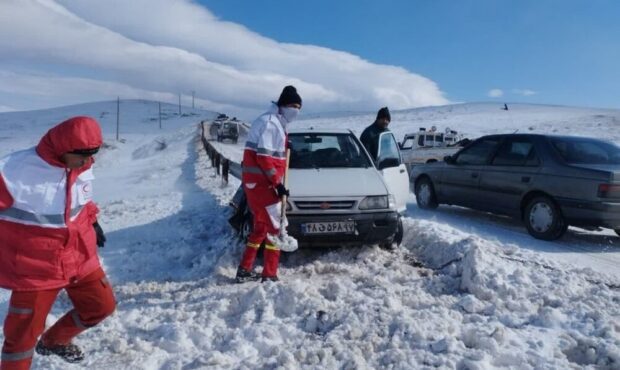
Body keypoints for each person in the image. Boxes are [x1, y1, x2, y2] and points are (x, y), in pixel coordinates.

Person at [0, 116, 116, 370]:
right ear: (63, 149)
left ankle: (54, 341)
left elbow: (81, 201)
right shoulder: (14, 171)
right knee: (21, 338)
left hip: (79, 257)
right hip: (36, 269)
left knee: (101, 306)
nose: (87, 162)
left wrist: (93, 221)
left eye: (92, 155)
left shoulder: (81, 164)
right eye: (82, 156)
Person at [236, 86, 302, 283]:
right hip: (262, 185)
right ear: (282, 105)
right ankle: (270, 274)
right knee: (276, 229)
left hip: (257, 185)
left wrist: (284, 144)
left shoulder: (276, 123)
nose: (296, 110)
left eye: (299, 107)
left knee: (261, 229)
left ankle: (245, 269)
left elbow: (271, 153)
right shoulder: (270, 123)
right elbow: (264, 158)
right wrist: (277, 184)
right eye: (292, 105)